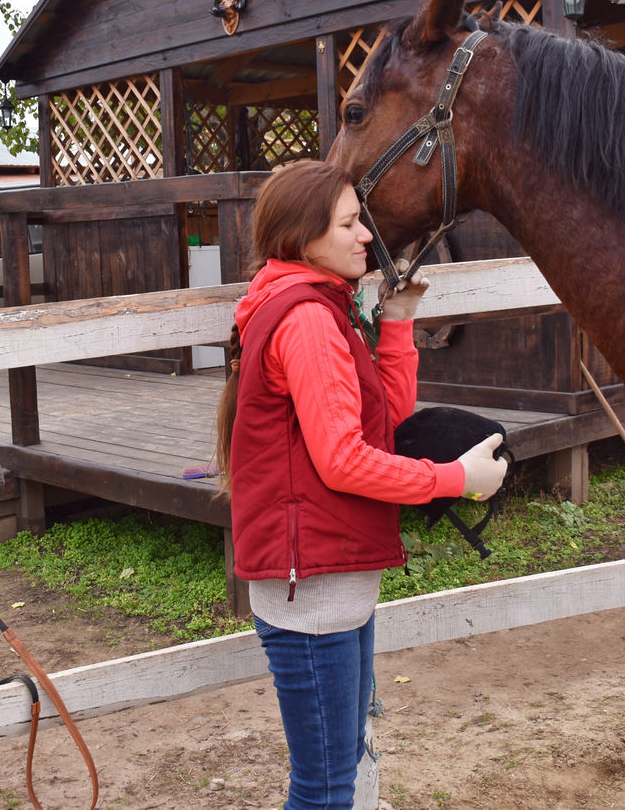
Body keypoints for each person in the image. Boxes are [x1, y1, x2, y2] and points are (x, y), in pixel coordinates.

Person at [214, 159, 507, 810]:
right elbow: (344, 460)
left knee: (333, 772)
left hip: (326, 580)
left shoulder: (314, 306)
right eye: (348, 224)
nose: (365, 236)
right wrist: (455, 479)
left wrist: (396, 323)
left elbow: (385, 421)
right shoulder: (310, 321)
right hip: (314, 588)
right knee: (323, 790)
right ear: (302, 236)